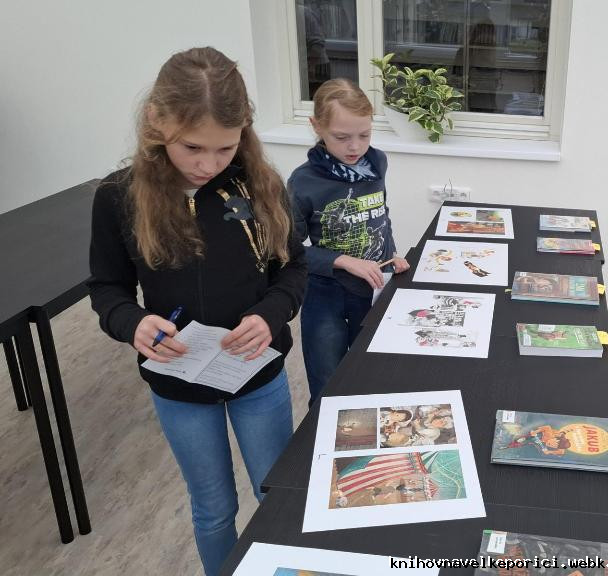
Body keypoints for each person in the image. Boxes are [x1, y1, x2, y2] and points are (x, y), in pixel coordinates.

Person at [86, 47, 306, 575]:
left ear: (244, 132)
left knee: (275, 497)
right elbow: (107, 289)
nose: (209, 165)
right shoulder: (118, 197)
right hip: (178, 383)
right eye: (192, 148)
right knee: (213, 510)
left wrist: (271, 313)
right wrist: (133, 323)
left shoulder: (260, 185)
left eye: (225, 148)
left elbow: (294, 269)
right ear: (156, 121)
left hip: (257, 375)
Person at [289, 78, 409, 403]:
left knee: (369, 371)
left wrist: (392, 253)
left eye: (364, 135)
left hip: (372, 287)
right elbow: (288, 249)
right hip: (326, 293)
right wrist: (343, 261)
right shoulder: (303, 182)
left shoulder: (377, 163)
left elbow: (379, 214)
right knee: (327, 380)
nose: (355, 147)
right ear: (317, 126)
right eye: (341, 138)